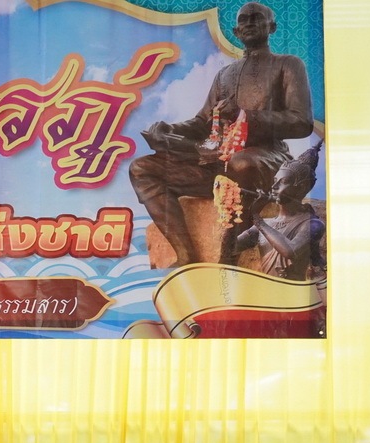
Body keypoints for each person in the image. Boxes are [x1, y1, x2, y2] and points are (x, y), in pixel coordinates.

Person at [128, 2, 314, 266]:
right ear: (236, 32)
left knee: (242, 162)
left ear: (271, 27)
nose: (249, 23)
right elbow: (203, 122)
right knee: (142, 168)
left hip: (266, 158)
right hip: (219, 161)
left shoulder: (288, 65)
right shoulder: (225, 74)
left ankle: (231, 251)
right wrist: (169, 129)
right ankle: (185, 254)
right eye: (243, 20)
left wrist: (246, 116)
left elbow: (301, 122)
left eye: (256, 18)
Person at [233, 140, 325, 280]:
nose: (274, 186)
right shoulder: (266, 224)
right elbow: (230, 248)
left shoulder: (313, 224)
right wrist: (230, 211)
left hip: (293, 291)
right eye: (275, 180)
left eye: (283, 182)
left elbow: (290, 251)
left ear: (302, 187)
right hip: (267, 290)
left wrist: (257, 219)